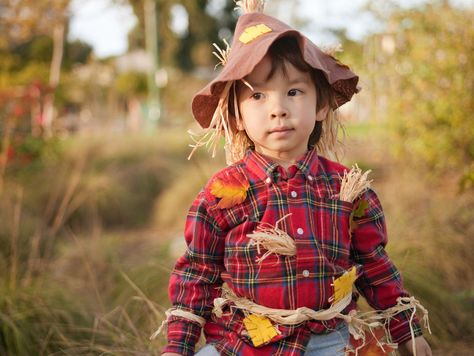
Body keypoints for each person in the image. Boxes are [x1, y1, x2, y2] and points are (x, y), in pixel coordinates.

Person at [159, 1, 432, 355]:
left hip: (330, 341)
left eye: (294, 92)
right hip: (244, 341)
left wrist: (407, 329)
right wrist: (177, 347)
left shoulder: (347, 190)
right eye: (257, 95)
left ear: (321, 105)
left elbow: (374, 264)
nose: (278, 108)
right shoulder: (222, 195)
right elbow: (197, 273)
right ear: (237, 115)